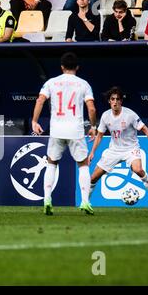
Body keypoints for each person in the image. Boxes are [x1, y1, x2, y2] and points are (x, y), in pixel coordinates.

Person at [31, 52, 97, 215]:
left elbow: (40, 100)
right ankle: (85, 202)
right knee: (83, 165)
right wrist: (93, 126)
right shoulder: (83, 84)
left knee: (52, 163)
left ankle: (47, 199)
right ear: (77, 67)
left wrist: (34, 121)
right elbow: (92, 108)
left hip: (57, 129)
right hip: (75, 130)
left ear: (61, 67)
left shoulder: (52, 82)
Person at [87, 87, 148, 208]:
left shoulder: (130, 114)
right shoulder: (105, 116)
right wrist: (92, 152)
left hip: (131, 149)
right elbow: (100, 135)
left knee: (138, 169)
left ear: (121, 101)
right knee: (93, 177)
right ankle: (86, 202)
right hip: (114, 150)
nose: (115, 102)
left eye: (118, 99)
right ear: (109, 101)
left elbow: (146, 130)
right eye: (113, 99)